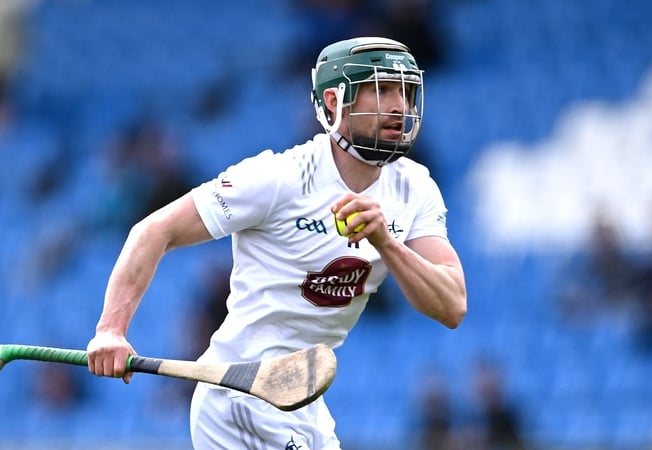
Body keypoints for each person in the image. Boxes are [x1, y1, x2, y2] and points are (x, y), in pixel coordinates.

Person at [86, 37, 467, 449]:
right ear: (335, 103)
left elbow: (451, 306)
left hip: (302, 399)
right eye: (382, 90)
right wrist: (110, 330)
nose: (399, 106)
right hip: (239, 391)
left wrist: (387, 244)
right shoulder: (279, 177)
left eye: (407, 92)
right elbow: (153, 230)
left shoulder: (415, 188)